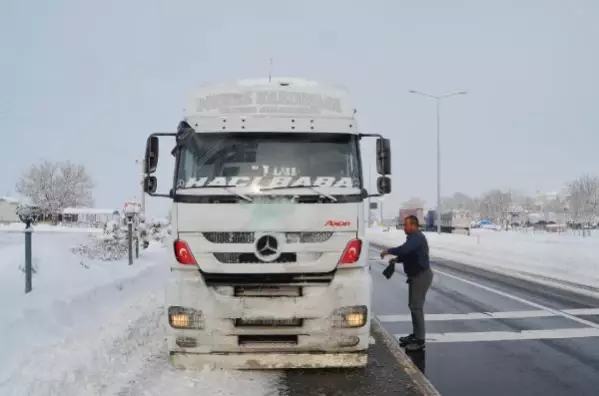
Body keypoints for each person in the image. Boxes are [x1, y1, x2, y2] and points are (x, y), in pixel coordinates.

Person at [380, 215, 433, 351]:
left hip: (421, 276)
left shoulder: (417, 238)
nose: (404, 228)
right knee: (413, 306)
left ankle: (420, 340)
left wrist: (388, 251)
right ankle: (416, 335)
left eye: (406, 225)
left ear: (413, 226)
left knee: (416, 307)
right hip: (416, 276)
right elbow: (407, 254)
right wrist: (396, 260)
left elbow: (404, 249)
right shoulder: (413, 238)